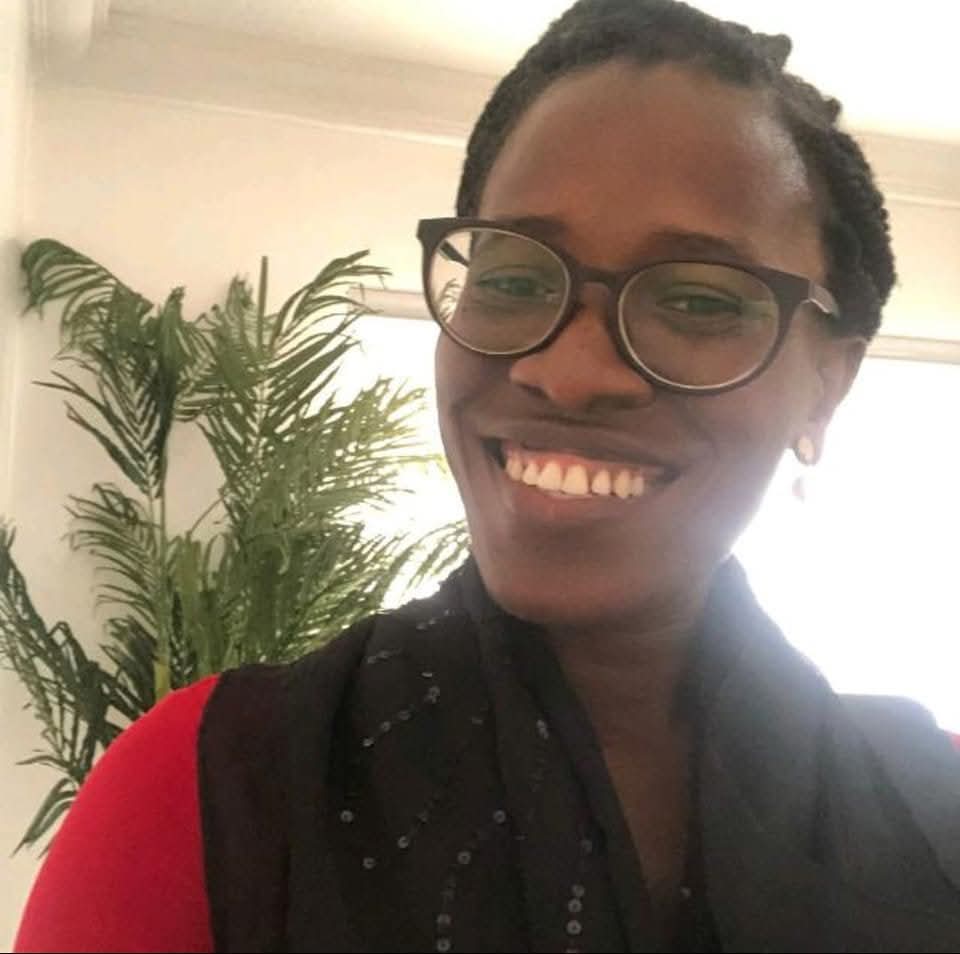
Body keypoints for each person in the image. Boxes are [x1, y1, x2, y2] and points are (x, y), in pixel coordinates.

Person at [15, 1, 960, 951]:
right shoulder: (214, 785)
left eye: (699, 301)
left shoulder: (936, 815)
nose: (571, 372)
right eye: (513, 279)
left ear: (826, 387)